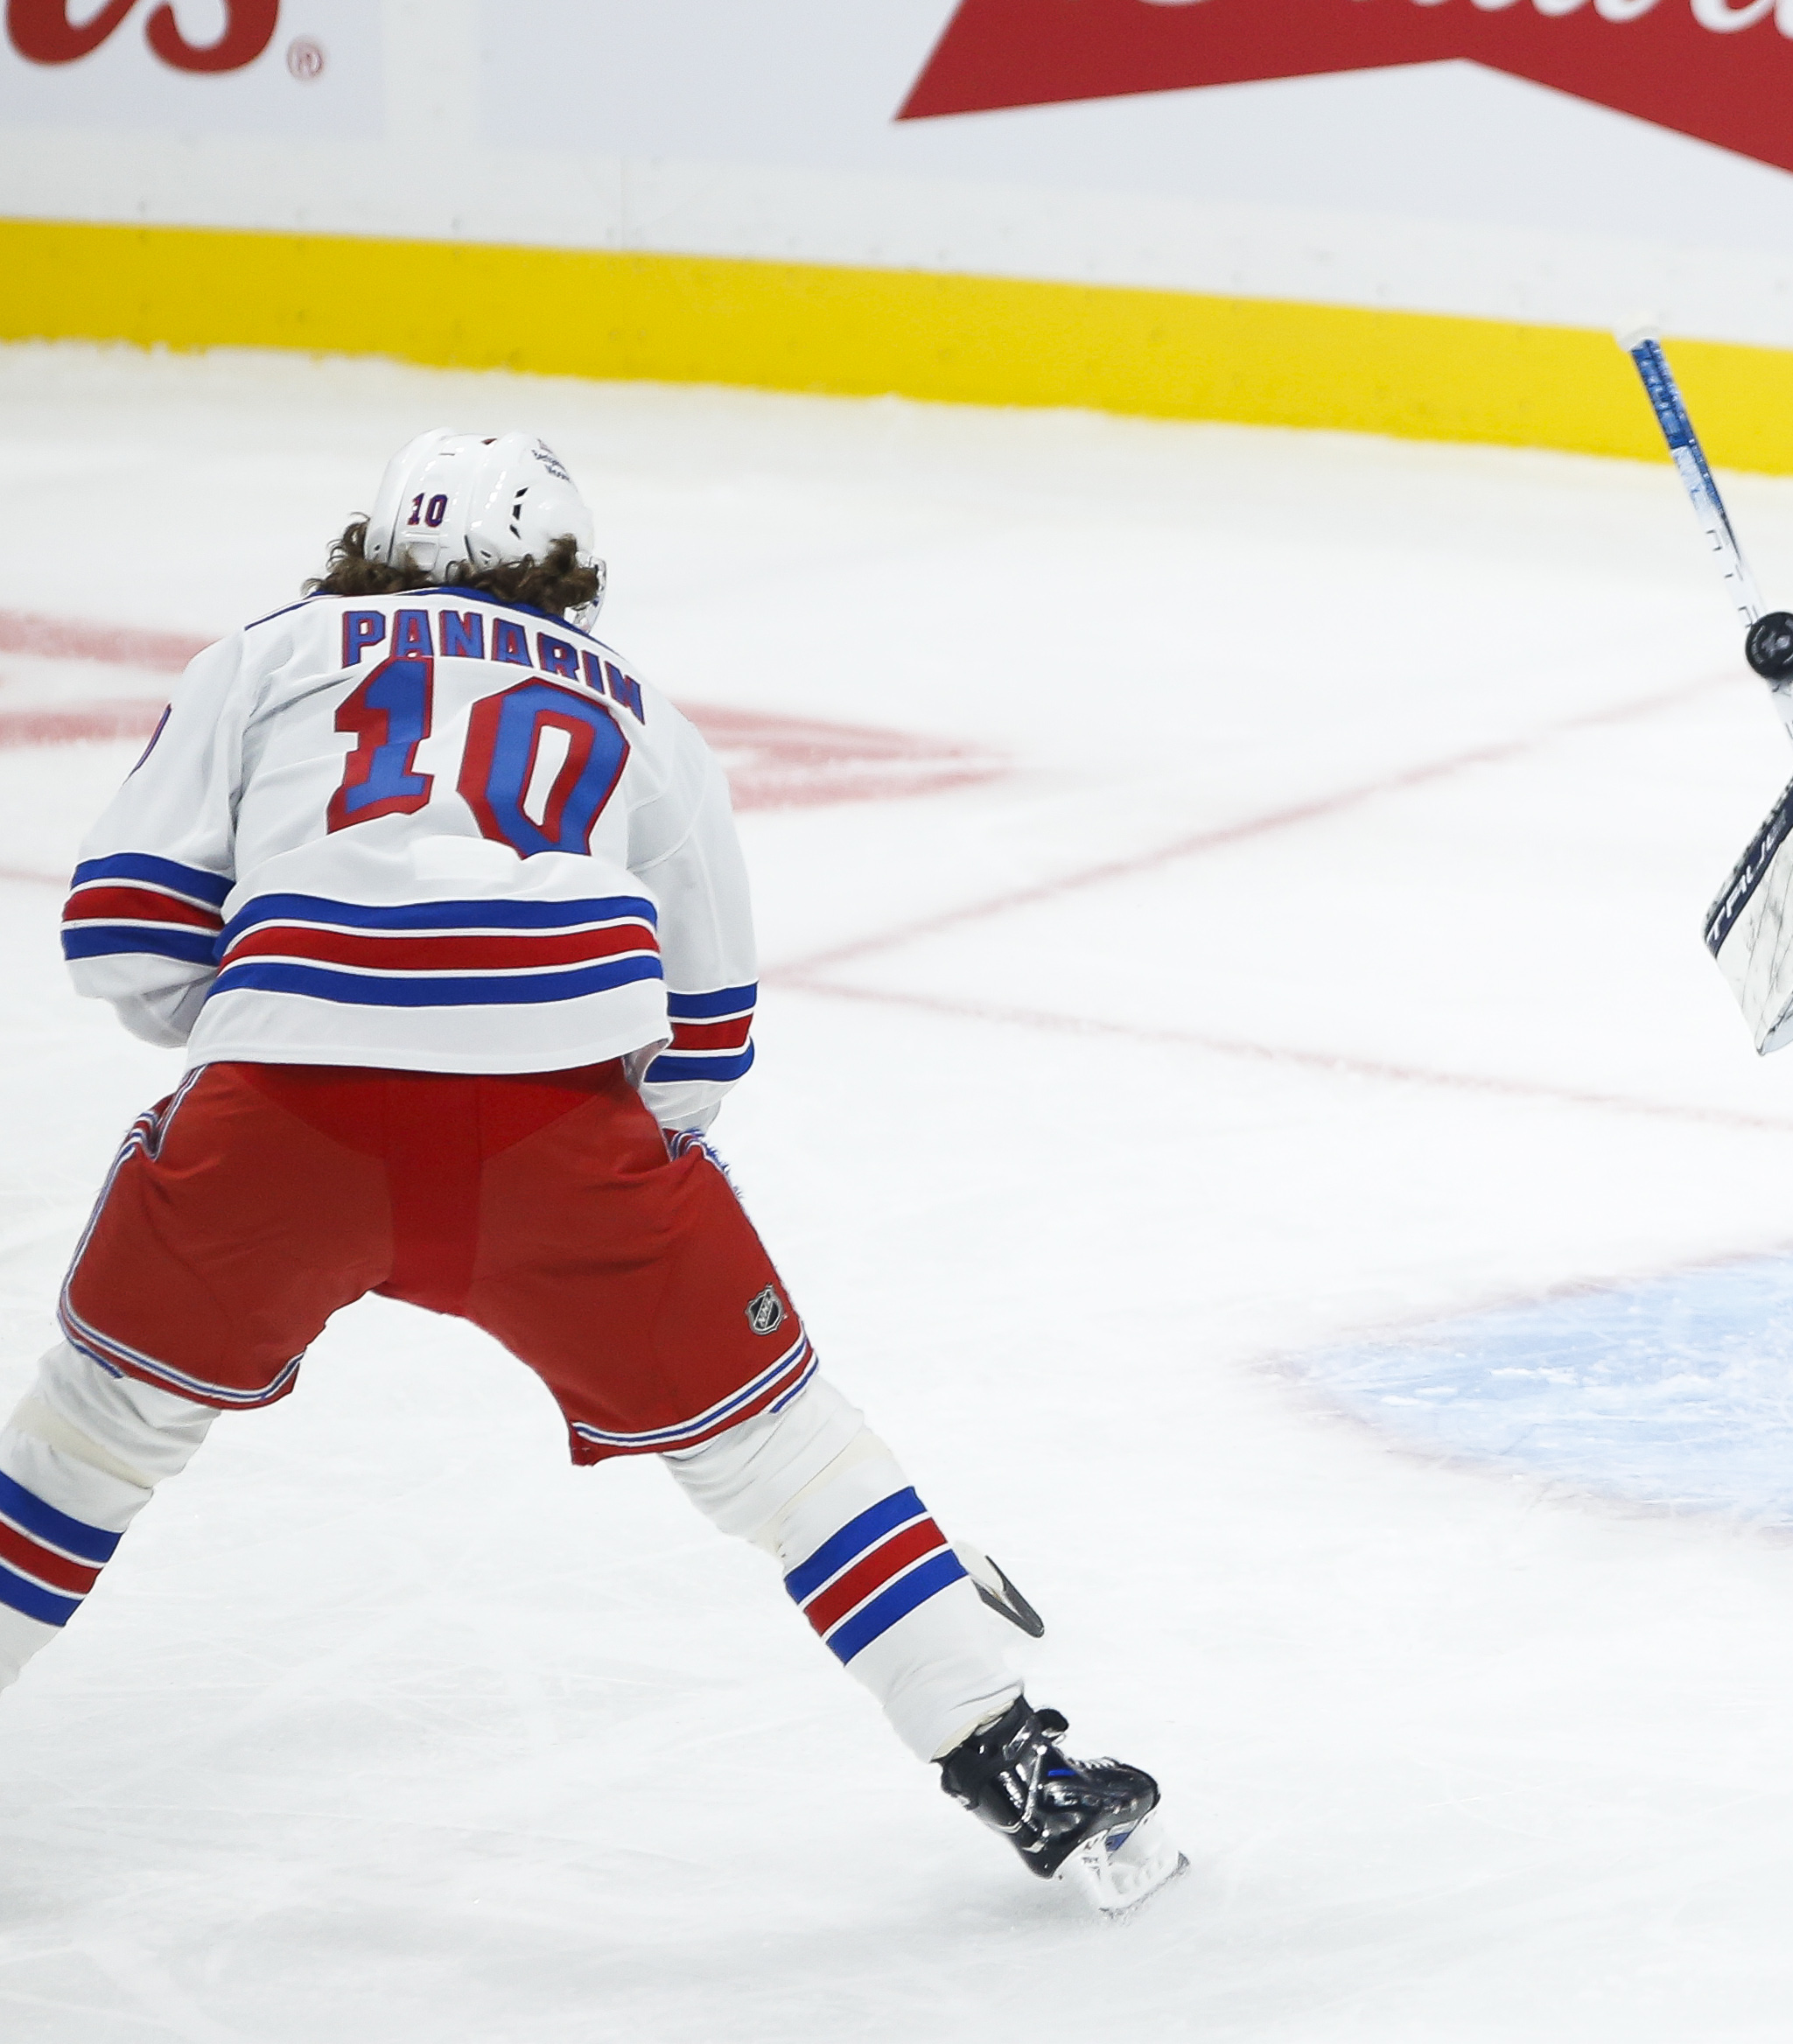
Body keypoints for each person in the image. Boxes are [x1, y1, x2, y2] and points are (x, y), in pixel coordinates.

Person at [6, 430, 1183, 1909]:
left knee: (95, 1438)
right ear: (564, 567)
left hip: (277, 1124)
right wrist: (602, 1155)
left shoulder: (267, 654)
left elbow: (120, 930)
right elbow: (705, 1037)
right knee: (786, 1454)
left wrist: (275, 1034)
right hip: (558, 1139)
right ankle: (1021, 1764)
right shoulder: (646, 714)